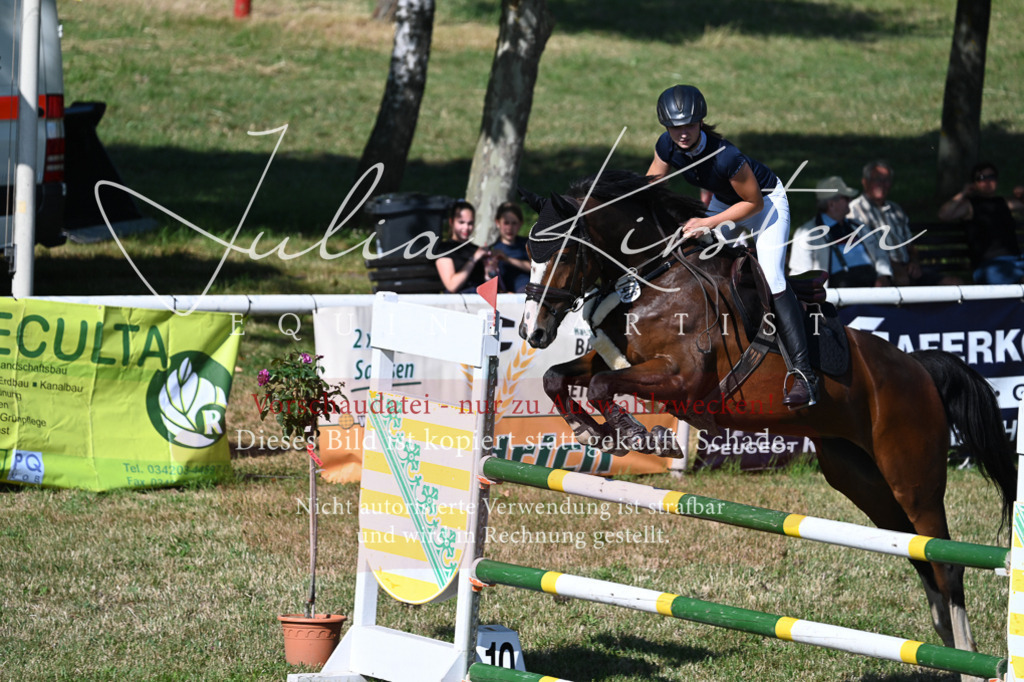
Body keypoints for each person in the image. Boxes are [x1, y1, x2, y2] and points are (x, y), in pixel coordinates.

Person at [646, 84, 817, 408]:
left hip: (765, 206)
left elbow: (752, 204)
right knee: (688, 254)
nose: (682, 133)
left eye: (689, 125)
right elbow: (652, 184)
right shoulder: (667, 145)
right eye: (675, 127)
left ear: (701, 122)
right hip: (726, 203)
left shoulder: (726, 157)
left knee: (773, 279)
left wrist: (706, 223)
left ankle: (805, 375)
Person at [847, 160, 960, 286]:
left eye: (887, 180)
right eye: (877, 179)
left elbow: (910, 246)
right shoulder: (854, 210)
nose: (883, 184)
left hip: (907, 268)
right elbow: (863, 250)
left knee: (954, 283)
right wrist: (893, 268)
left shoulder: (896, 210)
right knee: (901, 282)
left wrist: (914, 263)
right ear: (865, 182)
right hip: (880, 271)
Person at [789, 176, 893, 288]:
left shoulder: (858, 226)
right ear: (831, 204)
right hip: (836, 295)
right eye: (846, 198)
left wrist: (883, 275)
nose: (851, 201)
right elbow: (800, 273)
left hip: (873, 288)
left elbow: (879, 253)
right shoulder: (807, 233)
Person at [938, 162, 1024, 284]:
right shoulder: (969, 206)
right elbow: (944, 215)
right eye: (982, 178)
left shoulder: (1004, 202)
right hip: (990, 266)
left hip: (1017, 260)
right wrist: (963, 193)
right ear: (974, 183)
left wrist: (1022, 194)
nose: (988, 181)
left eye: (992, 177)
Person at [435, 200, 494, 293]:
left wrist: (490, 269)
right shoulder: (444, 249)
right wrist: (473, 259)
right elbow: (451, 286)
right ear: (451, 222)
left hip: (480, 298)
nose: (466, 227)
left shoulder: (476, 249)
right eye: (461, 222)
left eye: (470, 223)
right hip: (458, 300)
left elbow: (488, 283)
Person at [488, 201, 531, 293]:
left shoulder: (527, 244)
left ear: (520, 224)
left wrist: (507, 259)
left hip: (526, 289)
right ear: (497, 222)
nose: (509, 228)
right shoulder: (492, 249)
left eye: (514, 223)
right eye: (506, 223)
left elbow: (535, 267)